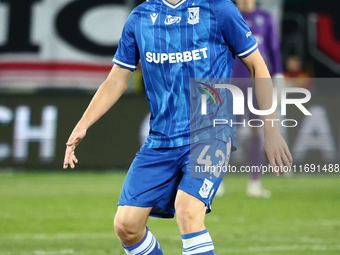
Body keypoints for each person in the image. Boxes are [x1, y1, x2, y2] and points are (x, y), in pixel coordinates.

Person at [63, 0, 292, 254]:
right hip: (161, 139)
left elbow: (257, 65)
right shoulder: (140, 18)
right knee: (126, 226)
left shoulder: (218, 9)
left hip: (210, 133)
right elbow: (117, 79)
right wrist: (83, 124)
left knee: (188, 212)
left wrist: (271, 130)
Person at [216, 0, 285, 198]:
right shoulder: (228, 15)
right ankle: (217, 182)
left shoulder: (266, 18)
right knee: (227, 133)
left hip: (257, 84)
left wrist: (279, 76)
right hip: (232, 82)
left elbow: (274, 49)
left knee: (257, 133)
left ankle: (254, 182)